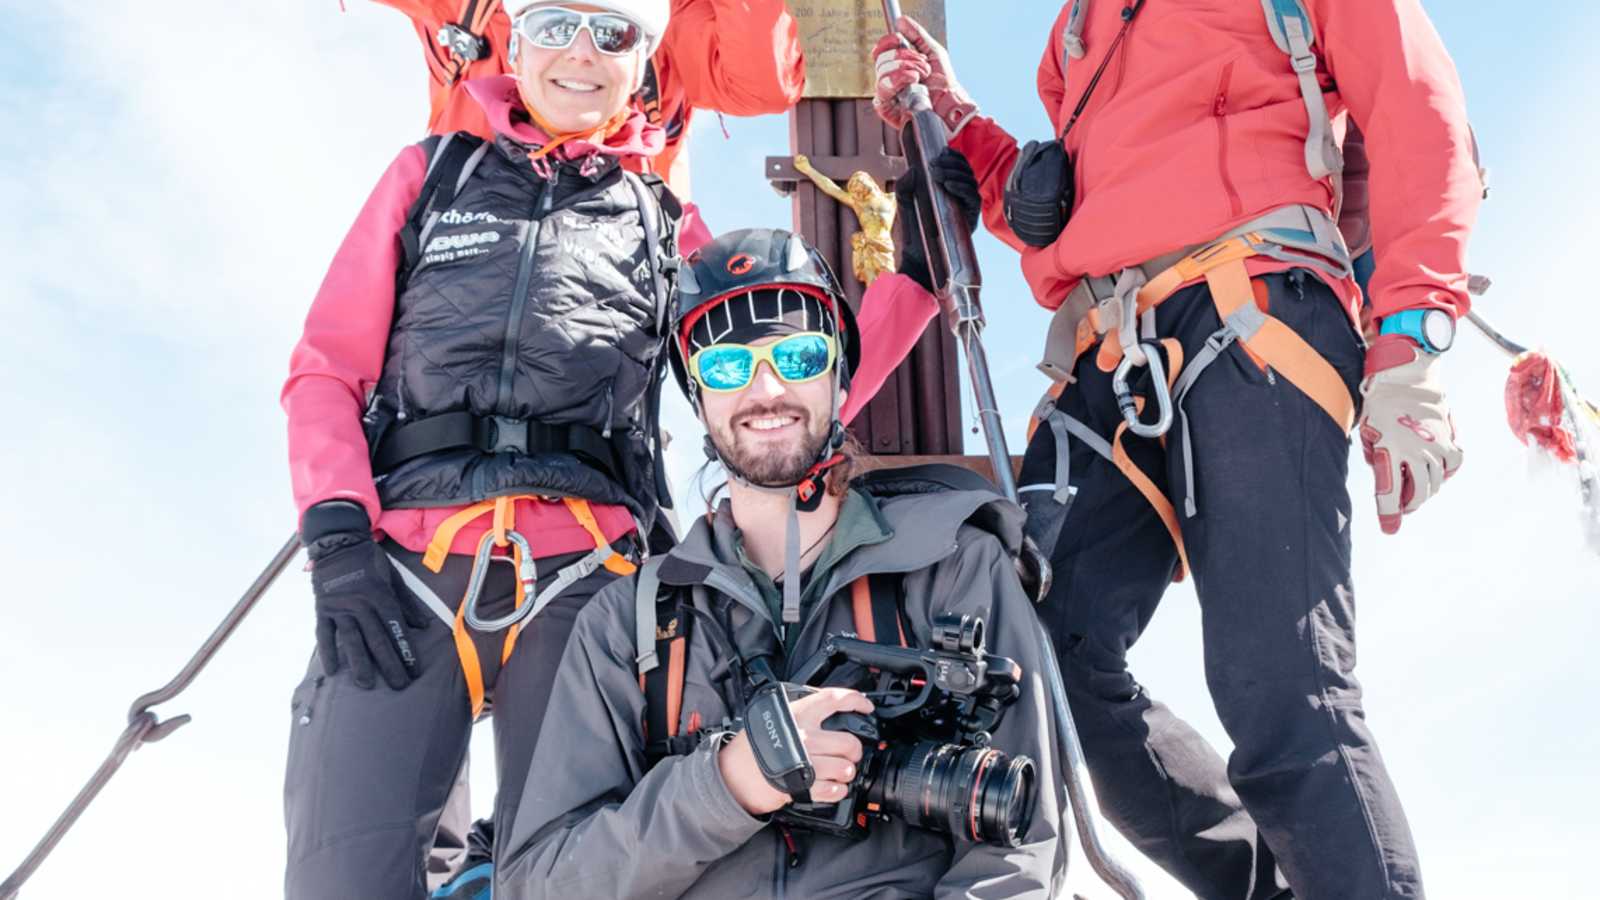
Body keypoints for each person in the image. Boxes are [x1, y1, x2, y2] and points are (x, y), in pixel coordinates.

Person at [873, 2, 1480, 898]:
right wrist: (959, 122)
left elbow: (1420, 112)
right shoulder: (1075, 36)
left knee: (1280, 687)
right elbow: (1073, 219)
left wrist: (1409, 355)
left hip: (1255, 314)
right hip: (1111, 350)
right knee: (1026, 659)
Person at [492, 225, 1069, 898]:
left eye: (796, 357)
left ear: (837, 372)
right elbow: (538, 884)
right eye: (728, 367)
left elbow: (1016, 858)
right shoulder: (630, 625)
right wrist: (728, 784)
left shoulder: (955, 567)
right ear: (698, 396)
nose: (766, 390)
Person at [280, 2, 681, 896]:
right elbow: (325, 372)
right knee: (343, 875)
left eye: (613, 33)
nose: (581, 52)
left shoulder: (663, 222)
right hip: (404, 570)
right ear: (517, 39)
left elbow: (772, 393)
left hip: (588, 576)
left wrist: (915, 277)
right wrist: (338, 541)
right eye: (553, 22)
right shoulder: (431, 175)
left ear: (642, 61)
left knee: (582, 877)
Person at [367, 0, 806, 249]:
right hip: (461, 247)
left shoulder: (667, 16)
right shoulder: (473, 7)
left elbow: (757, 85)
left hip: (620, 264)